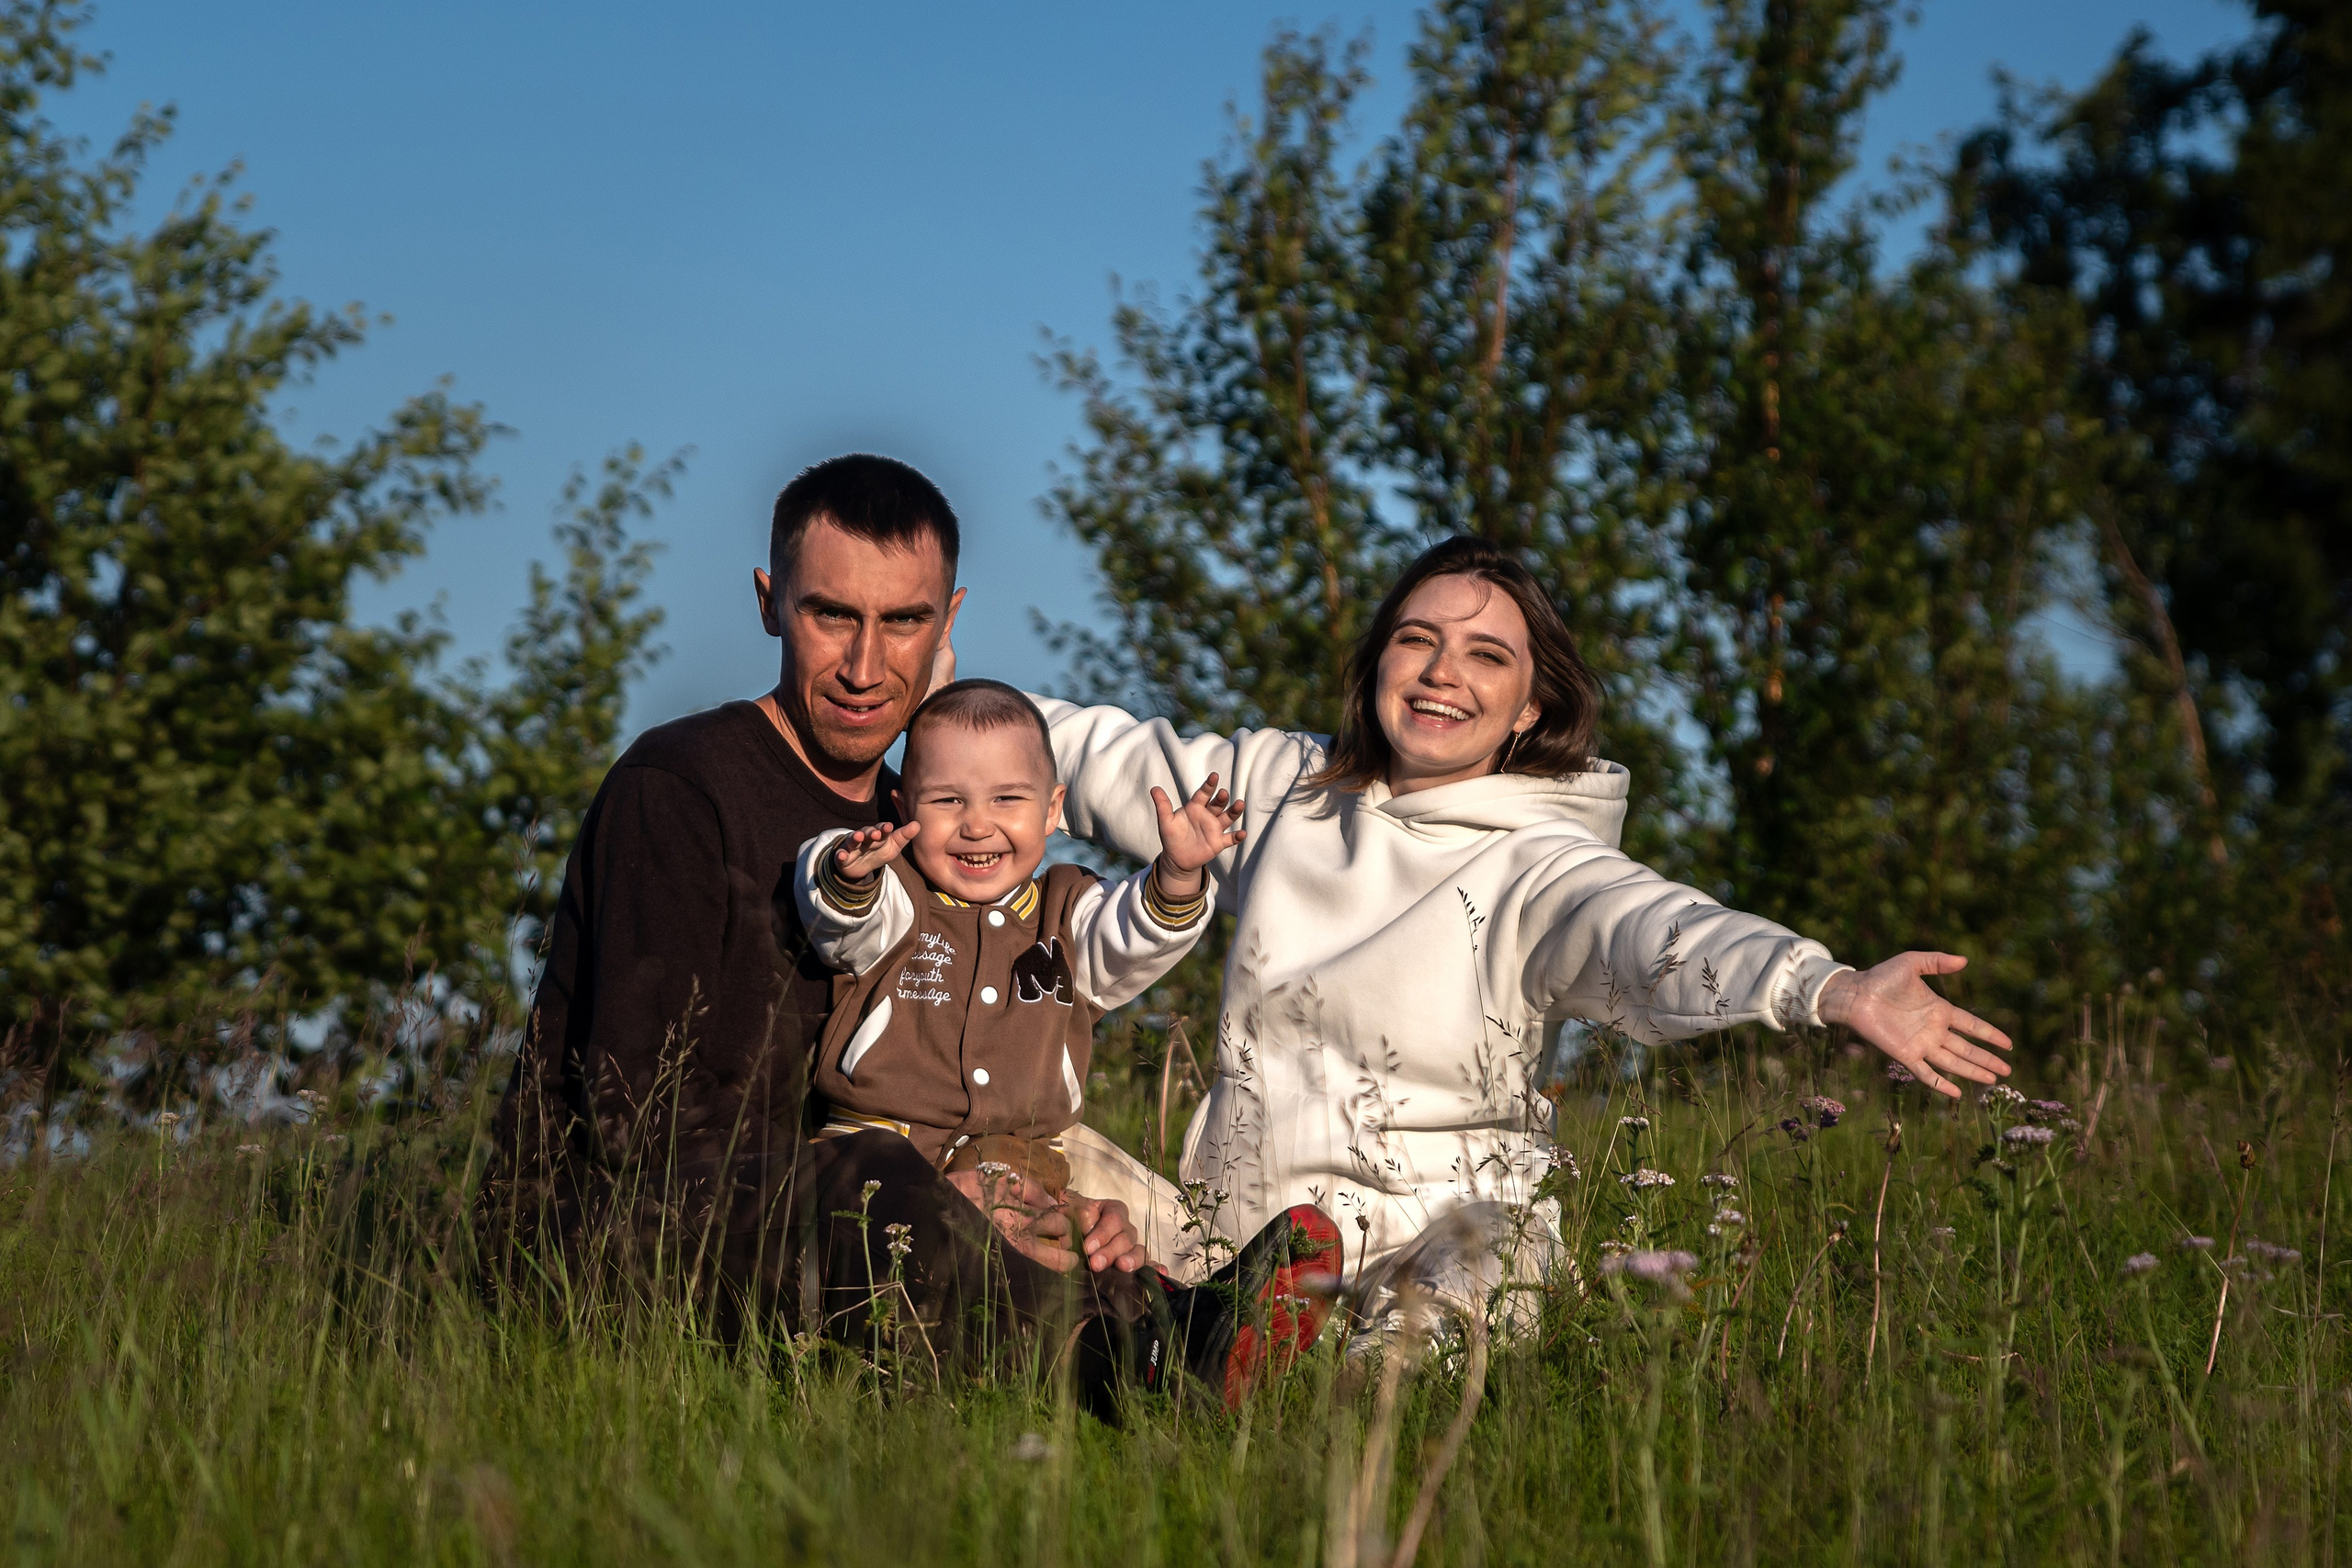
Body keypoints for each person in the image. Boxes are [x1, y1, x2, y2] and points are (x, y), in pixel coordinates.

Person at [480, 454, 1332, 1416]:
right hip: (621, 1238)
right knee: (879, 1173)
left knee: (1062, 1199)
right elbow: (638, 1117)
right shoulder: (681, 787)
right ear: (770, 603)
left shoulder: (932, 827)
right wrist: (926, 1190)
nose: (865, 665)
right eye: (830, 615)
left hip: (854, 1206)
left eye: (904, 622)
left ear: (949, 624)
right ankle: (1143, 1368)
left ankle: (1198, 1338)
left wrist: (1021, 1191)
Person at [1012, 535, 2017, 1323]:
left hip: (1435, 1249)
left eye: (1485, 655)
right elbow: (1096, 756)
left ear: (1530, 706)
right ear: (1377, 664)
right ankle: (1194, 1332)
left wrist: (1825, 987)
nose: (1443, 671)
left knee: (1478, 1280)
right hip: (1228, 1245)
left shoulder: (1542, 863)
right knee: (998, 1153)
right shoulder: (1287, 793)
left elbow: (1659, 932)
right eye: (1417, 640)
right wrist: (917, 686)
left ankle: (1314, 1376)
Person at [795, 677, 1345, 1404]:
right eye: (947, 801)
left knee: (1093, 1261)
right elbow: (843, 919)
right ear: (903, 809)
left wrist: (1179, 874)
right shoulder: (898, 897)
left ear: (1053, 808)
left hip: (1024, 1164)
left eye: (1007, 800)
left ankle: (1192, 1335)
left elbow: (1129, 939)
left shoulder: (1066, 909)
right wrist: (846, 873)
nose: (977, 825)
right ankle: (1170, 1350)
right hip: (887, 1155)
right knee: (953, 1267)